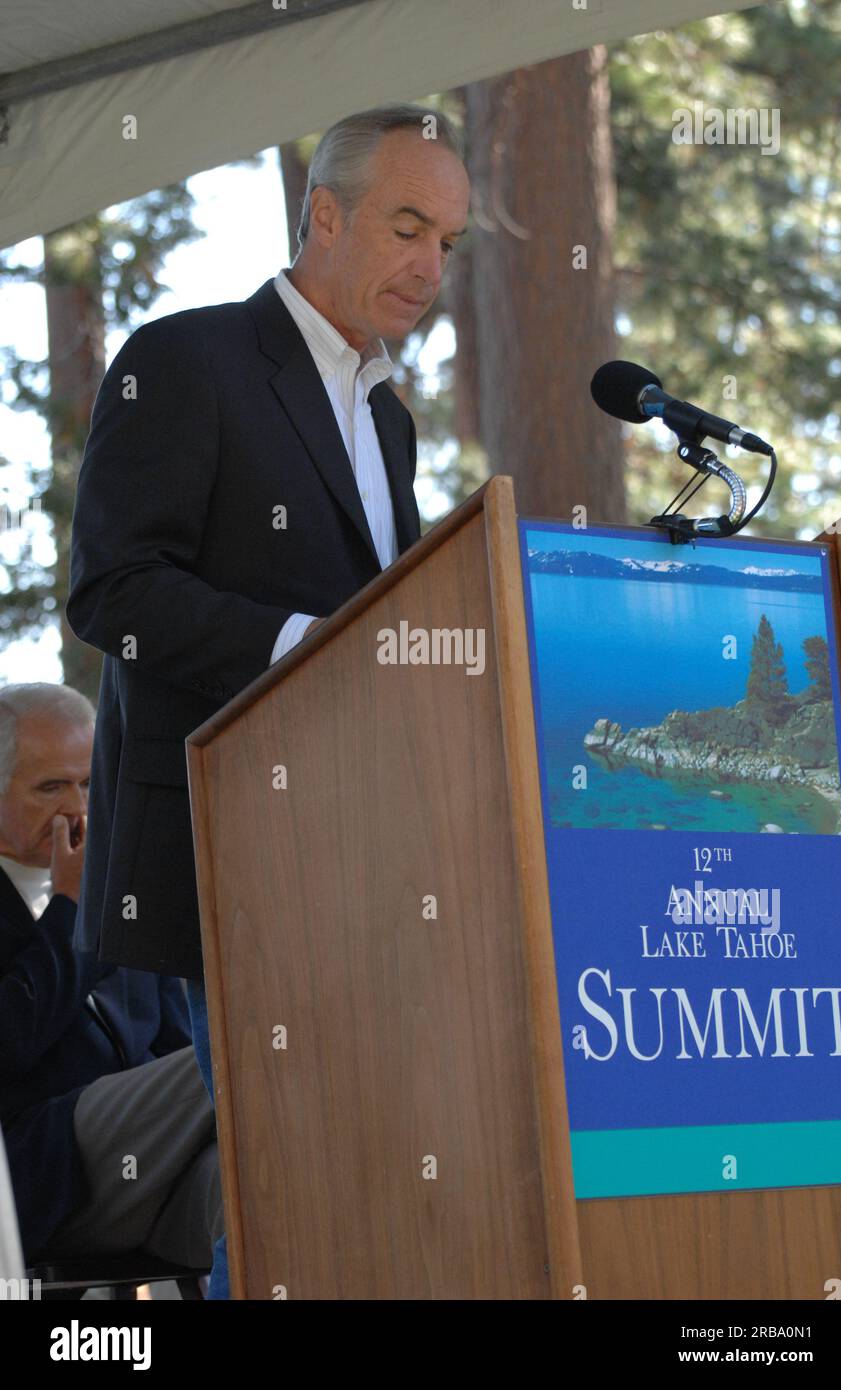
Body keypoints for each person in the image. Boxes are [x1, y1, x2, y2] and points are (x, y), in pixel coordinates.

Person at [66, 103, 471, 1299]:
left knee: (358, 1170)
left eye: (448, 242)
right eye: (406, 227)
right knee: (287, 1175)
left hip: (366, 854)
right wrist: (310, 648)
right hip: (227, 845)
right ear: (324, 215)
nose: (428, 267)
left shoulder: (385, 418)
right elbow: (113, 589)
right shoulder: (185, 361)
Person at [0, 684, 222, 1280]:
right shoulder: (89, 900)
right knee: (237, 1048)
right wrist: (72, 908)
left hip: (148, 1176)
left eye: (90, 784)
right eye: (52, 787)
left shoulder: (125, 896)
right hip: (39, 1181)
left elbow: (172, 1045)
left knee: (260, 1185)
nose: (79, 810)